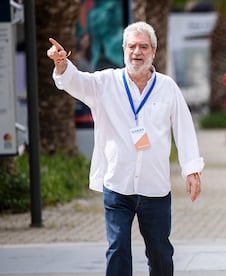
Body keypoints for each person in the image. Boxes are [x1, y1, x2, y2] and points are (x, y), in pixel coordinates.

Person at [47, 21, 204, 276]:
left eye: (143, 47)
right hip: (117, 184)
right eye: (132, 46)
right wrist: (62, 63)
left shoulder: (167, 87)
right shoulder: (106, 82)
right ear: (124, 49)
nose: (136, 52)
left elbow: (184, 129)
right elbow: (76, 82)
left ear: (153, 51)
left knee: (160, 253)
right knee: (118, 249)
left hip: (155, 187)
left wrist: (192, 170)